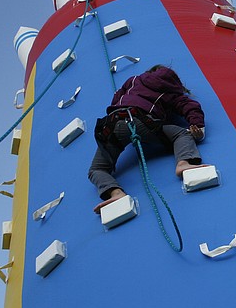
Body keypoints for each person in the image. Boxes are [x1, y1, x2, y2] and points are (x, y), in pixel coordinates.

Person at [88, 65, 207, 213]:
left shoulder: (132, 80)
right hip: (142, 120)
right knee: (181, 134)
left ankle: (115, 193)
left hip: (113, 123)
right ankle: (184, 163)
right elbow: (188, 106)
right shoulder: (169, 88)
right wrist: (197, 126)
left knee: (97, 169)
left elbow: (116, 99)